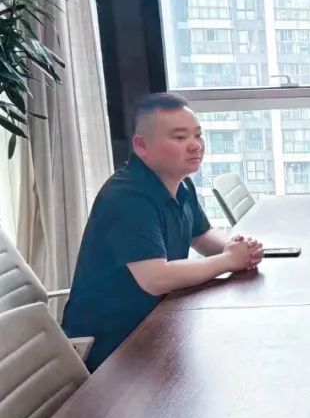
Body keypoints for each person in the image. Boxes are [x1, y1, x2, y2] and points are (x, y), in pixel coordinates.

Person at [62, 94, 264, 371]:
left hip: (158, 322)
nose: (195, 145)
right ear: (141, 146)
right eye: (180, 138)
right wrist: (229, 260)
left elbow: (201, 236)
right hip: (113, 347)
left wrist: (239, 248)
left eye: (198, 135)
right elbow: (156, 279)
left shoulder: (181, 184)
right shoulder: (127, 196)